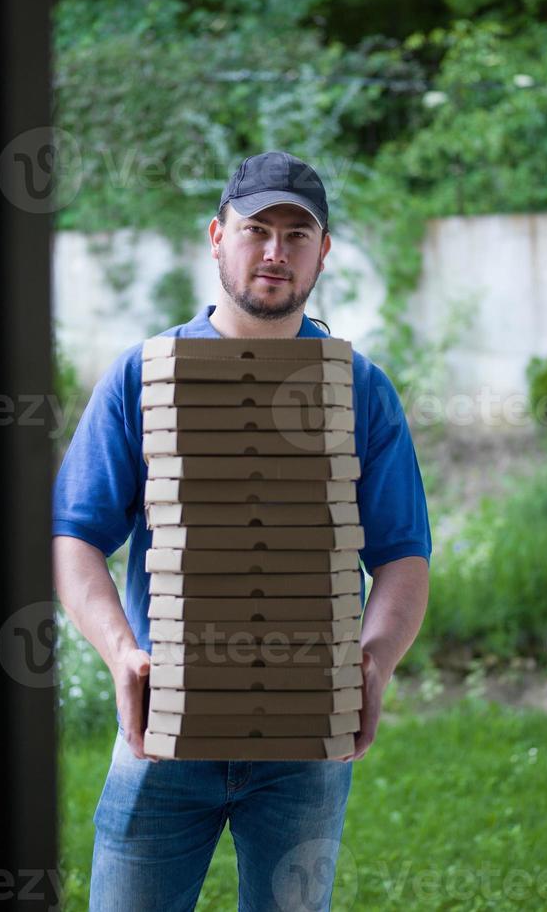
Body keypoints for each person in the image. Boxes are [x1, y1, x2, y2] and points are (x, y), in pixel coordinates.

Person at [52, 150, 432, 912]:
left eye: (298, 235)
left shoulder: (358, 388)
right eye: (258, 229)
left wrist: (374, 662)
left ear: (322, 252)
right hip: (164, 733)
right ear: (216, 235)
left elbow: (400, 554)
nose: (274, 251)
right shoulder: (142, 376)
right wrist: (122, 654)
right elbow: (77, 538)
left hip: (304, 745)